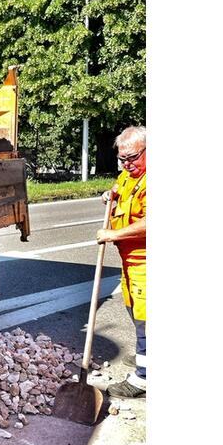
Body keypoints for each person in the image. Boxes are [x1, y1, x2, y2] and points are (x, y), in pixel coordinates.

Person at [99, 126, 147, 398]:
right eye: (123, 159)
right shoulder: (129, 177)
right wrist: (110, 196)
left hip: (146, 261)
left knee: (146, 318)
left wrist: (114, 233)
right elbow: (119, 190)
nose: (127, 165)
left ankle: (143, 379)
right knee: (134, 310)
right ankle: (145, 354)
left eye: (133, 158)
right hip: (130, 261)